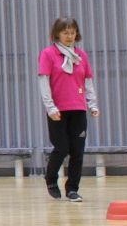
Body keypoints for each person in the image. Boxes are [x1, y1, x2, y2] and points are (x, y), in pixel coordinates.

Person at [37, 17, 98, 202]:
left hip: (78, 108)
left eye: (72, 32)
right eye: (65, 32)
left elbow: (88, 81)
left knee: (77, 150)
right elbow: (44, 82)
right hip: (58, 110)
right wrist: (50, 107)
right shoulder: (48, 54)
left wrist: (92, 104)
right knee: (61, 147)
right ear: (57, 34)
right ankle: (51, 178)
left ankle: (72, 188)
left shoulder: (81, 56)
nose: (69, 36)